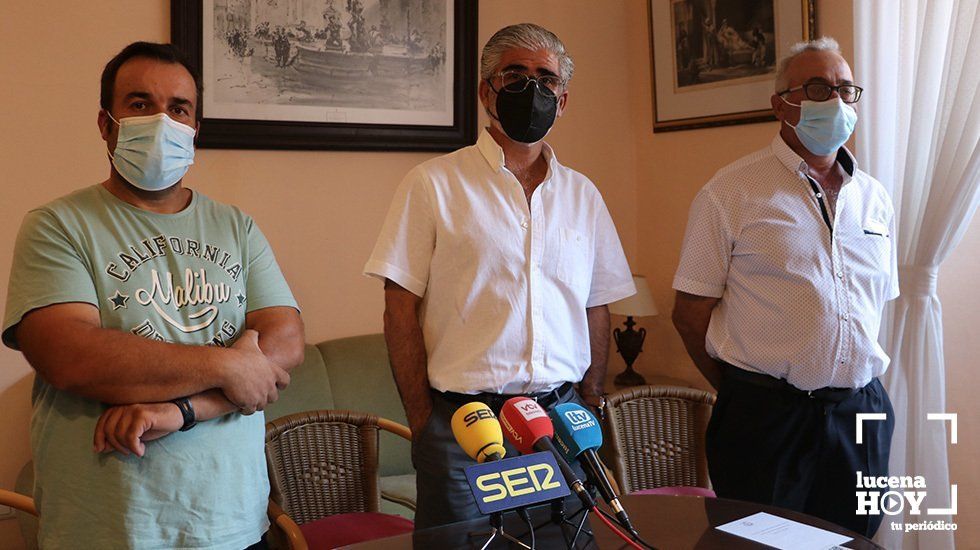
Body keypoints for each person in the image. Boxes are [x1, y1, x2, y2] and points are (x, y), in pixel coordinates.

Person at [2, 42, 305, 549]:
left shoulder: (237, 227)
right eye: (141, 105)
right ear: (107, 125)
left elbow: (285, 340)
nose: (162, 121)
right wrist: (227, 365)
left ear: (193, 130)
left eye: (178, 108)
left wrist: (180, 412)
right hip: (110, 527)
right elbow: (71, 357)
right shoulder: (58, 225)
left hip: (232, 522)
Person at [364, 23, 635, 528]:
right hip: (466, 426)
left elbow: (597, 304)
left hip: (562, 424)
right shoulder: (433, 184)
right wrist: (423, 421)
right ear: (486, 90)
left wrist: (592, 399)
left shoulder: (583, 196)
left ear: (564, 99)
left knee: (565, 543)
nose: (531, 90)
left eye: (545, 79)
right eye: (515, 75)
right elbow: (398, 306)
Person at [672, 37, 897, 538]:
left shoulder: (875, 198)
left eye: (845, 89)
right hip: (766, 421)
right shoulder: (730, 192)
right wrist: (745, 394)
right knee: (759, 543)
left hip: (859, 414)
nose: (834, 102)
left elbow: (877, 304)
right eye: (817, 88)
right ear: (781, 104)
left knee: (854, 543)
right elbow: (689, 315)